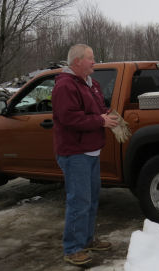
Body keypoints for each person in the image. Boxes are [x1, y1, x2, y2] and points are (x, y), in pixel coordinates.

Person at [52, 44, 118, 266]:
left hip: (91, 151)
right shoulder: (65, 86)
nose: (94, 62)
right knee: (79, 201)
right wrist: (101, 121)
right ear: (77, 61)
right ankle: (73, 248)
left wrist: (110, 115)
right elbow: (70, 118)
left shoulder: (92, 84)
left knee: (90, 200)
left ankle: (87, 239)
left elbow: (97, 109)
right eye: (91, 58)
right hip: (75, 153)